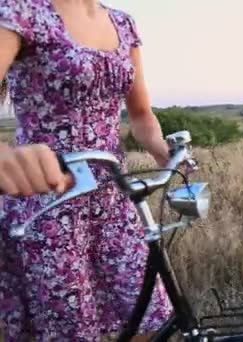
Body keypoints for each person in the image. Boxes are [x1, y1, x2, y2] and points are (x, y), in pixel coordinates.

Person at [0, 0, 173, 340]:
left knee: (152, 318)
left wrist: (162, 148)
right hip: (48, 201)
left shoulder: (124, 23)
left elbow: (140, 114)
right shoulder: (21, 11)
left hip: (113, 198)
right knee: (71, 330)